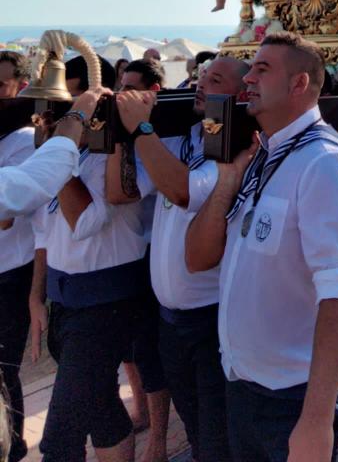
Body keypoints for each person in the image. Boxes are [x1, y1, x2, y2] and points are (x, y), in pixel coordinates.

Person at [186, 34, 338, 462]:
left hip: (297, 396)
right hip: (248, 384)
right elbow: (197, 259)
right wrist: (227, 184)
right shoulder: (262, 156)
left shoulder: (325, 163)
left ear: (298, 83)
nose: (247, 77)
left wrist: (316, 420)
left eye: (261, 69)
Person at [107, 54, 250, 462]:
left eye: (216, 79)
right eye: (202, 76)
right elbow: (124, 192)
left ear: (241, 94)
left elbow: (183, 190)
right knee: (193, 424)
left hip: (210, 320)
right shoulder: (187, 135)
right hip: (170, 319)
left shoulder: (235, 145)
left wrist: (142, 128)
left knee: (216, 436)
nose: (201, 84)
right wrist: (116, 130)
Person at [31, 89, 148, 462]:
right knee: (101, 408)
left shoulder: (115, 154)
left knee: (60, 437)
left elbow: (86, 222)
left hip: (105, 304)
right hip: (65, 298)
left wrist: (55, 157)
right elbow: (43, 231)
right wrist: (37, 295)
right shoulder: (71, 154)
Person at [113, 58, 170, 462]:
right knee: (129, 349)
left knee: (149, 351)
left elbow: (129, 192)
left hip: (152, 251)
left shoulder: (159, 133)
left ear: (153, 93)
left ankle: (160, 440)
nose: (123, 96)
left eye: (133, 88)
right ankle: (140, 409)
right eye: (121, 87)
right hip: (126, 253)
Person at [0, 53, 35, 462]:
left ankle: (14, 447)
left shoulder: (25, 141)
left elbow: (6, 218)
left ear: (20, 88)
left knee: (4, 370)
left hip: (10, 272)